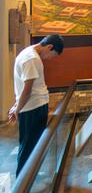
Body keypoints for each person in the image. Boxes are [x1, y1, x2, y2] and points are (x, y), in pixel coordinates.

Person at [8, 35, 64, 177]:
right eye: (53, 55)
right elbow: (27, 90)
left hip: (32, 107)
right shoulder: (32, 59)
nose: (50, 58)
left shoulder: (29, 52)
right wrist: (17, 109)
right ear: (49, 47)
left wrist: (16, 106)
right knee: (28, 146)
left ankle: (29, 175)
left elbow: (23, 87)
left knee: (31, 144)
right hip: (33, 108)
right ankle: (22, 183)